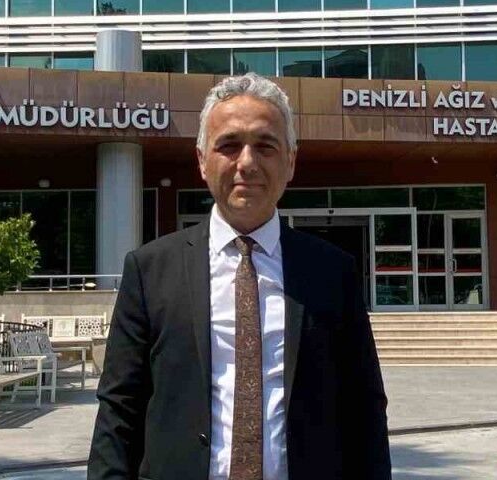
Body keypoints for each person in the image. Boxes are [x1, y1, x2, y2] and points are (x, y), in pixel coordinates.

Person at [88, 73, 391, 480]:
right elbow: (118, 412)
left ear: (290, 161)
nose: (247, 163)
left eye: (265, 146)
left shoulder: (333, 272)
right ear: (201, 160)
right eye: (229, 145)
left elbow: (364, 409)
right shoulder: (149, 271)